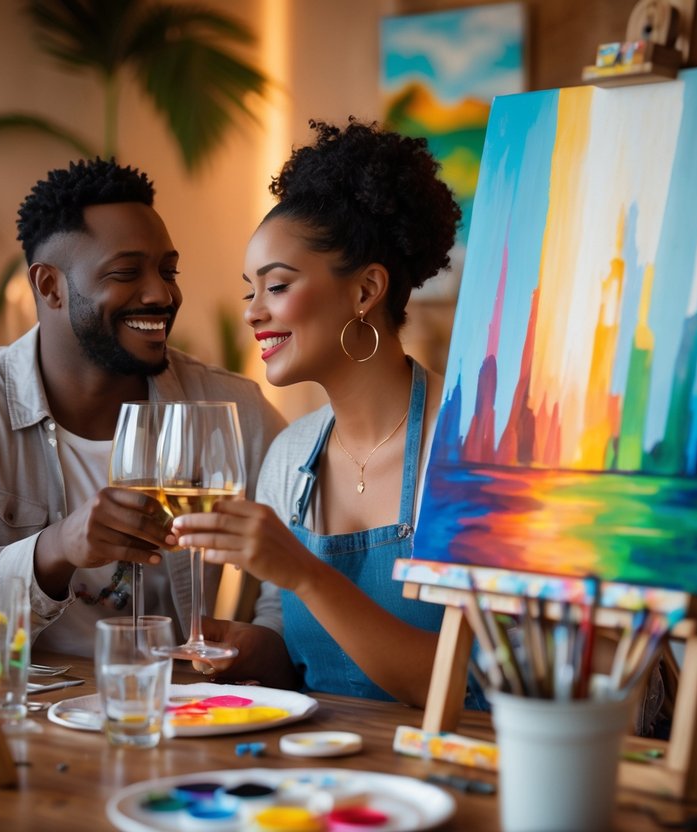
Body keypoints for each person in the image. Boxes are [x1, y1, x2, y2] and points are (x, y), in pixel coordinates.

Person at [0, 158, 290, 672]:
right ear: (49, 286)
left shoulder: (231, 408)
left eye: (168, 271)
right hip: (18, 723)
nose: (161, 294)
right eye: (127, 273)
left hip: (173, 718)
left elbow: (300, 569)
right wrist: (55, 548)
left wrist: (268, 644)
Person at [171, 120, 475, 707]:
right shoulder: (290, 456)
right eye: (248, 292)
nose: (253, 313)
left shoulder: (465, 448)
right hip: (317, 778)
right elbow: (296, 657)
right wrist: (240, 645)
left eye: (277, 286)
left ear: (366, 291)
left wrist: (306, 573)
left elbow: (476, 684)